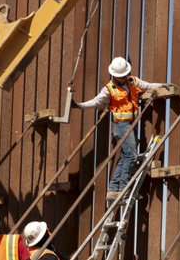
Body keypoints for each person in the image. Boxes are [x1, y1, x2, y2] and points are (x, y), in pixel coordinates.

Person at [71, 56, 167, 200]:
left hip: (132, 124)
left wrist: (163, 85)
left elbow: (148, 86)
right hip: (122, 125)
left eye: (123, 75)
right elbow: (96, 101)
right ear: (114, 75)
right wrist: (80, 105)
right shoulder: (109, 89)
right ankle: (123, 188)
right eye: (119, 76)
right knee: (132, 156)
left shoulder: (133, 80)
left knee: (126, 156)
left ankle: (113, 188)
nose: (122, 78)